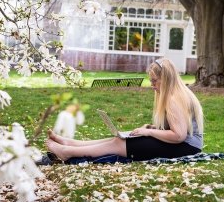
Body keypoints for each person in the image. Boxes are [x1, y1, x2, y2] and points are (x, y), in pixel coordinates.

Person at [45, 58, 204, 161]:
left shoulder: (173, 98)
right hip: (185, 145)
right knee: (120, 139)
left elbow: (178, 135)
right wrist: (150, 128)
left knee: (119, 143)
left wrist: (148, 132)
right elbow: (178, 127)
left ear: (166, 79)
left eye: (154, 81)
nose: (152, 85)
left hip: (186, 148)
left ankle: (67, 151)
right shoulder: (175, 94)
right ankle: (70, 144)